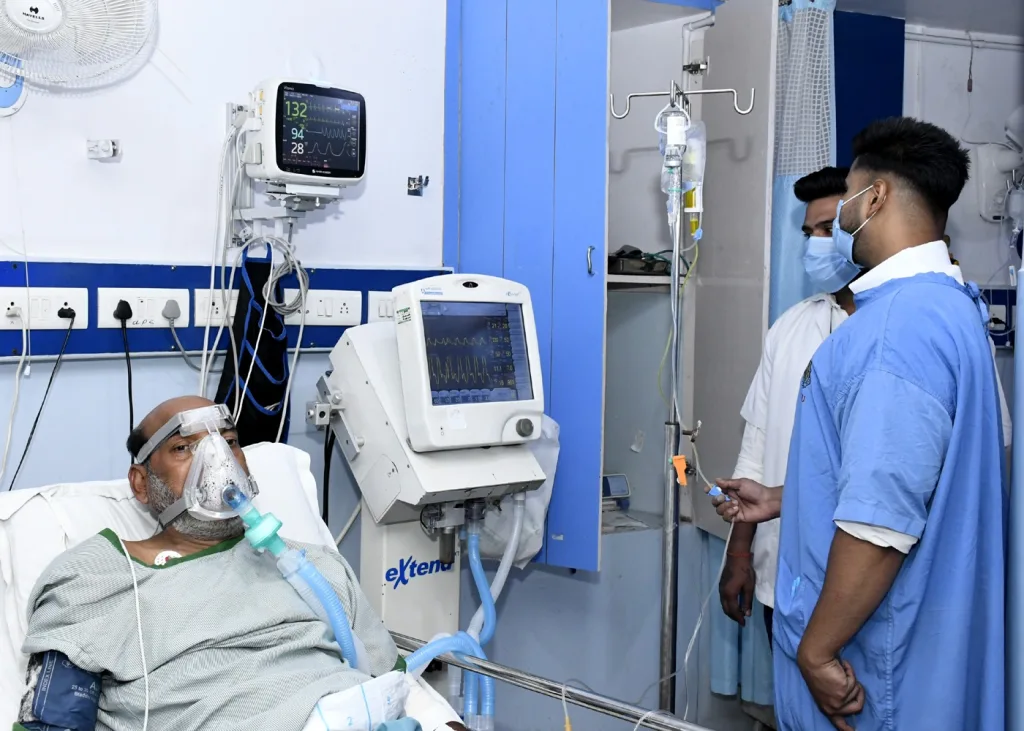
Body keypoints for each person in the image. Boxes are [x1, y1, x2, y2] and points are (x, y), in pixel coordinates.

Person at [711, 118, 1006, 731]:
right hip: (932, 654)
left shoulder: (892, 333)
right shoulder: (950, 311)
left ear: (875, 198)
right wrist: (785, 498)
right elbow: (913, 478)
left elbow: (880, 521)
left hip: (877, 672)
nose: (840, 219)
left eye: (846, 198)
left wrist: (817, 651)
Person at [15, 395, 464, 731]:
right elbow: (53, 720)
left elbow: (396, 682)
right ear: (141, 484)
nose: (218, 460)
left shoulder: (312, 566)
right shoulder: (96, 578)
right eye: (184, 448)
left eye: (228, 442)